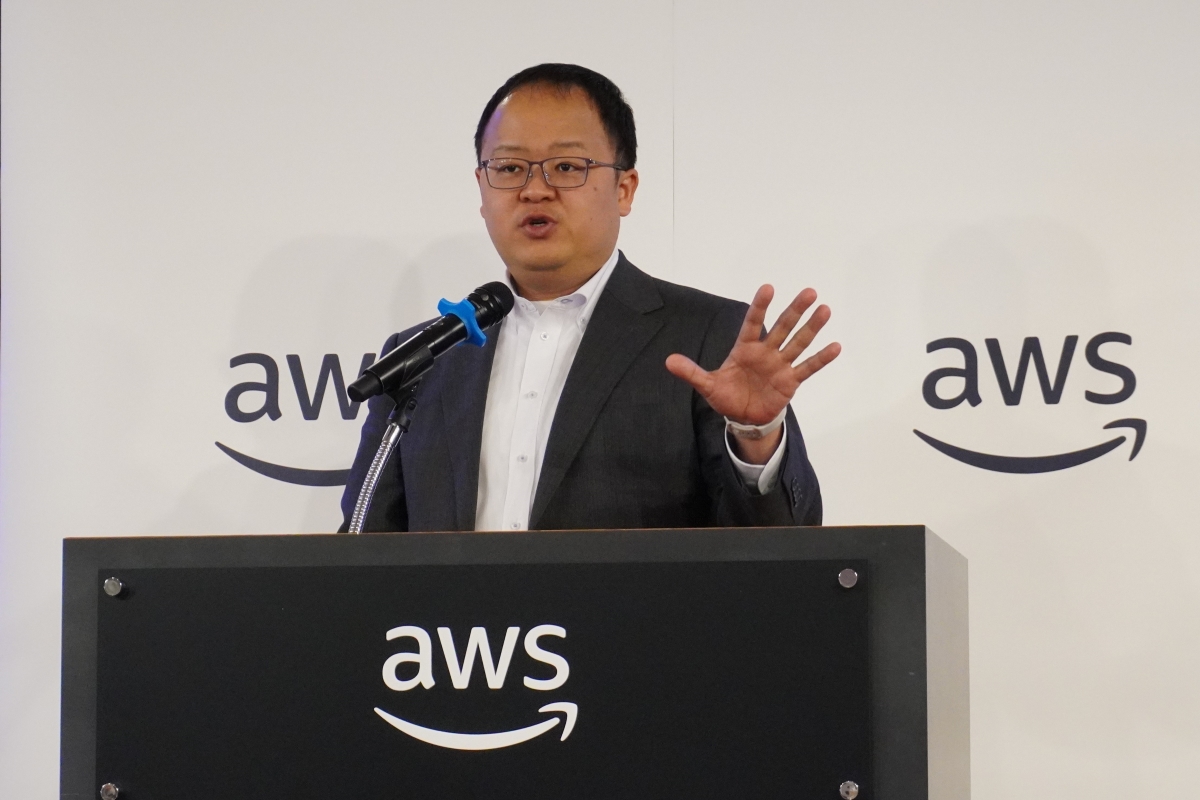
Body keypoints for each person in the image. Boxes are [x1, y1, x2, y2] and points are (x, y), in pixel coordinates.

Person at [340, 63, 840, 533]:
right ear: (481, 188)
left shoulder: (707, 336)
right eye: (509, 168)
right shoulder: (426, 358)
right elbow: (364, 550)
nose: (535, 190)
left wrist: (755, 438)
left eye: (566, 166)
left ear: (624, 189)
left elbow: (776, 549)